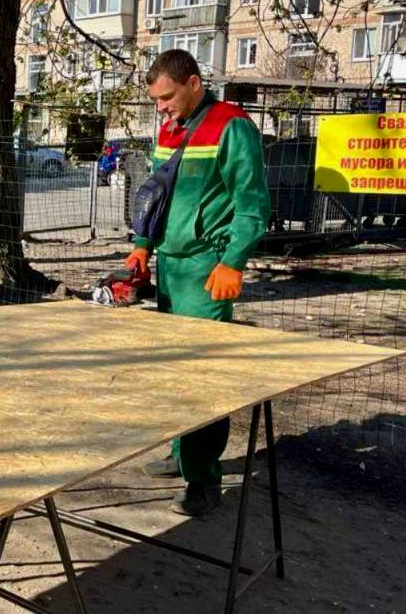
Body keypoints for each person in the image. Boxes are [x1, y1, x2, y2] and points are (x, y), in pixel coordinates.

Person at [125, 49, 269, 516]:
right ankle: (181, 453)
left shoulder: (232, 127)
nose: (160, 108)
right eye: (156, 101)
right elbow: (159, 191)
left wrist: (233, 262)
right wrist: (143, 243)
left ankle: (203, 479)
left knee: (201, 378)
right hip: (170, 268)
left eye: (166, 97)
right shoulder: (171, 129)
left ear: (192, 82)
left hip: (208, 272)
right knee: (171, 371)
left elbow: (252, 205)